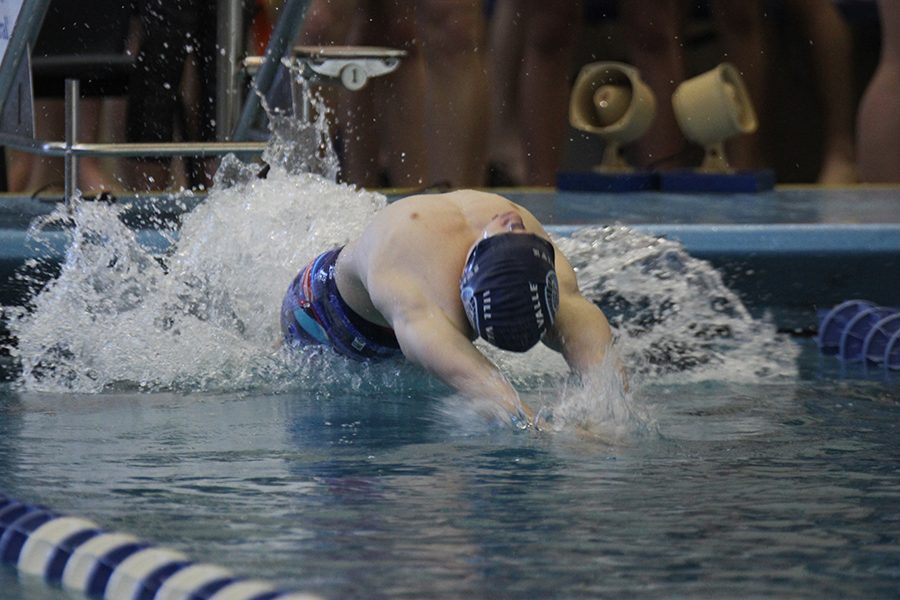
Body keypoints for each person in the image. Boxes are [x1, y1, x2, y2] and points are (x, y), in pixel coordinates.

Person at [280, 190, 617, 427]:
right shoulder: (414, 287)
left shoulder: (538, 261)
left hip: (396, 304)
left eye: (512, 233)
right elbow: (499, 401)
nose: (513, 223)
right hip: (321, 311)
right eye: (514, 236)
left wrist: (607, 413)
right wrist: (541, 430)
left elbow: (593, 349)